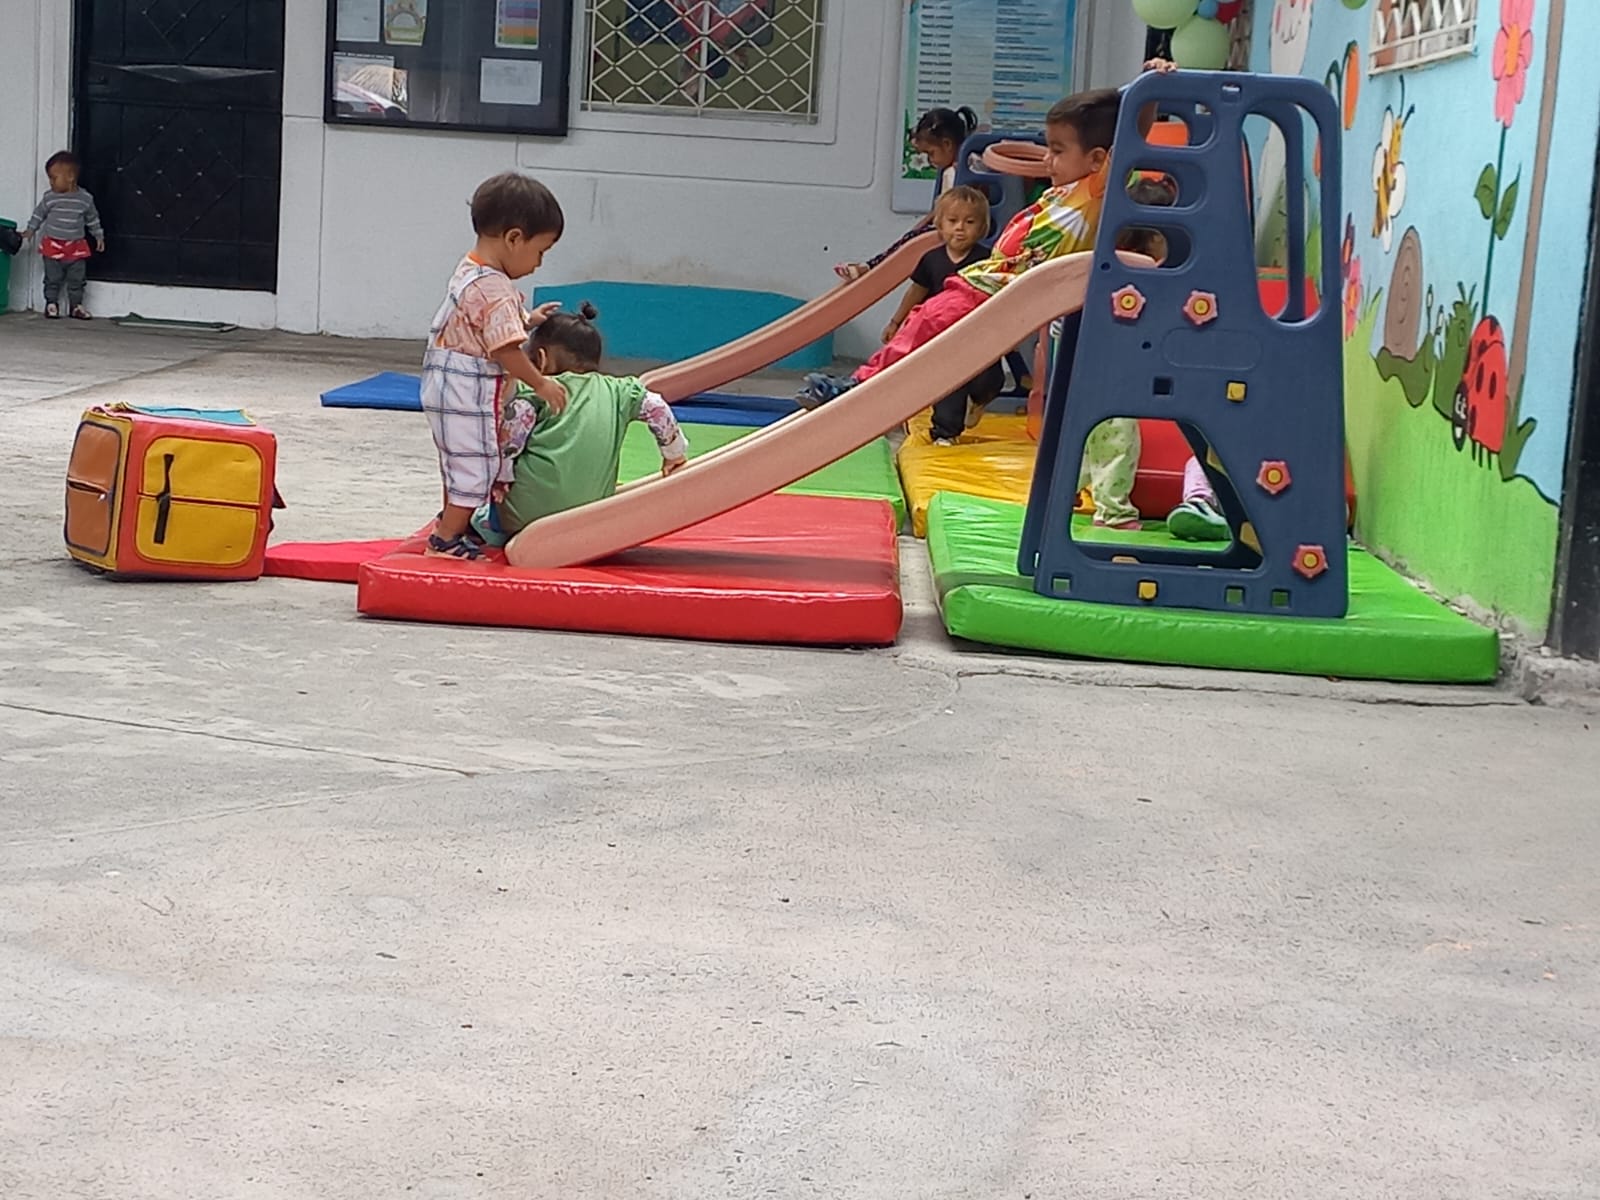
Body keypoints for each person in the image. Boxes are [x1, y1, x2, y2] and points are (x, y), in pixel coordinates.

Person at [798, 87, 1122, 408]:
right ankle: (863, 382)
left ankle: (861, 388)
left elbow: (1129, 144)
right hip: (986, 281)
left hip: (1005, 289)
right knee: (922, 318)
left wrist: (1145, 88)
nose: (1047, 159)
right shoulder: (1063, 190)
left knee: (929, 322)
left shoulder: (1093, 189)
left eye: (1058, 151)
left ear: (1097, 159)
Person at [421, 172, 570, 560]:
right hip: (466, 390)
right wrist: (541, 383)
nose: (538, 263)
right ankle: (444, 541)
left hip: (442, 385)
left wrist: (527, 319)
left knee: (459, 462)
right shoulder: (497, 289)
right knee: (477, 466)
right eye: (540, 251)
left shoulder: (470, 269)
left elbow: (479, 322)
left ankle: (452, 524)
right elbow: (505, 349)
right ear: (514, 238)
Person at [473, 302, 689, 544]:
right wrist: (674, 454)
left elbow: (510, 437)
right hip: (590, 514)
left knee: (483, 504)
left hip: (527, 516)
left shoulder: (538, 392)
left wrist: (500, 476)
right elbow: (657, 407)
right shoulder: (620, 391)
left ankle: (491, 527)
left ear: (541, 360)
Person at [870, 185, 1004, 444]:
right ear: (940, 225)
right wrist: (896, 322)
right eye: (953, 221)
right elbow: (916, 291)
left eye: (969, 222)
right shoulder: (931, 259)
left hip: (975, 334)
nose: (960, 228)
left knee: (987, 380)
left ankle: (979, 399)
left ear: (982, 227)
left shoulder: (987, 261)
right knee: (947, 380)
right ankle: (945, 431)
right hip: (940, 334)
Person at [834, 105, 980, 283]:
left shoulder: (967, 168)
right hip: (946, 226)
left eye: (931, 153)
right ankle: (868, 266)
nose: (930, 161)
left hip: (953, 229)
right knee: (909, 239)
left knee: (910, 241)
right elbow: (941, 209)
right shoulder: (954, 170)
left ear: (947, 144)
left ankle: (867, 267)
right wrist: (921, 225)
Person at [20, 151, 104, 320]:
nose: (51, 182)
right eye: (49, 178)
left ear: (71, 177)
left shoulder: (85, 199)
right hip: (53, 246)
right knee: (52, 278)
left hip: (76, 247)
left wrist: (98, 236)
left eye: (54, 178)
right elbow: (38, 215)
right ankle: (51, 304)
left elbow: (92, 219)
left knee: (77, 279)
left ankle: (76, 306)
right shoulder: (50, 198)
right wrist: (30, 231)